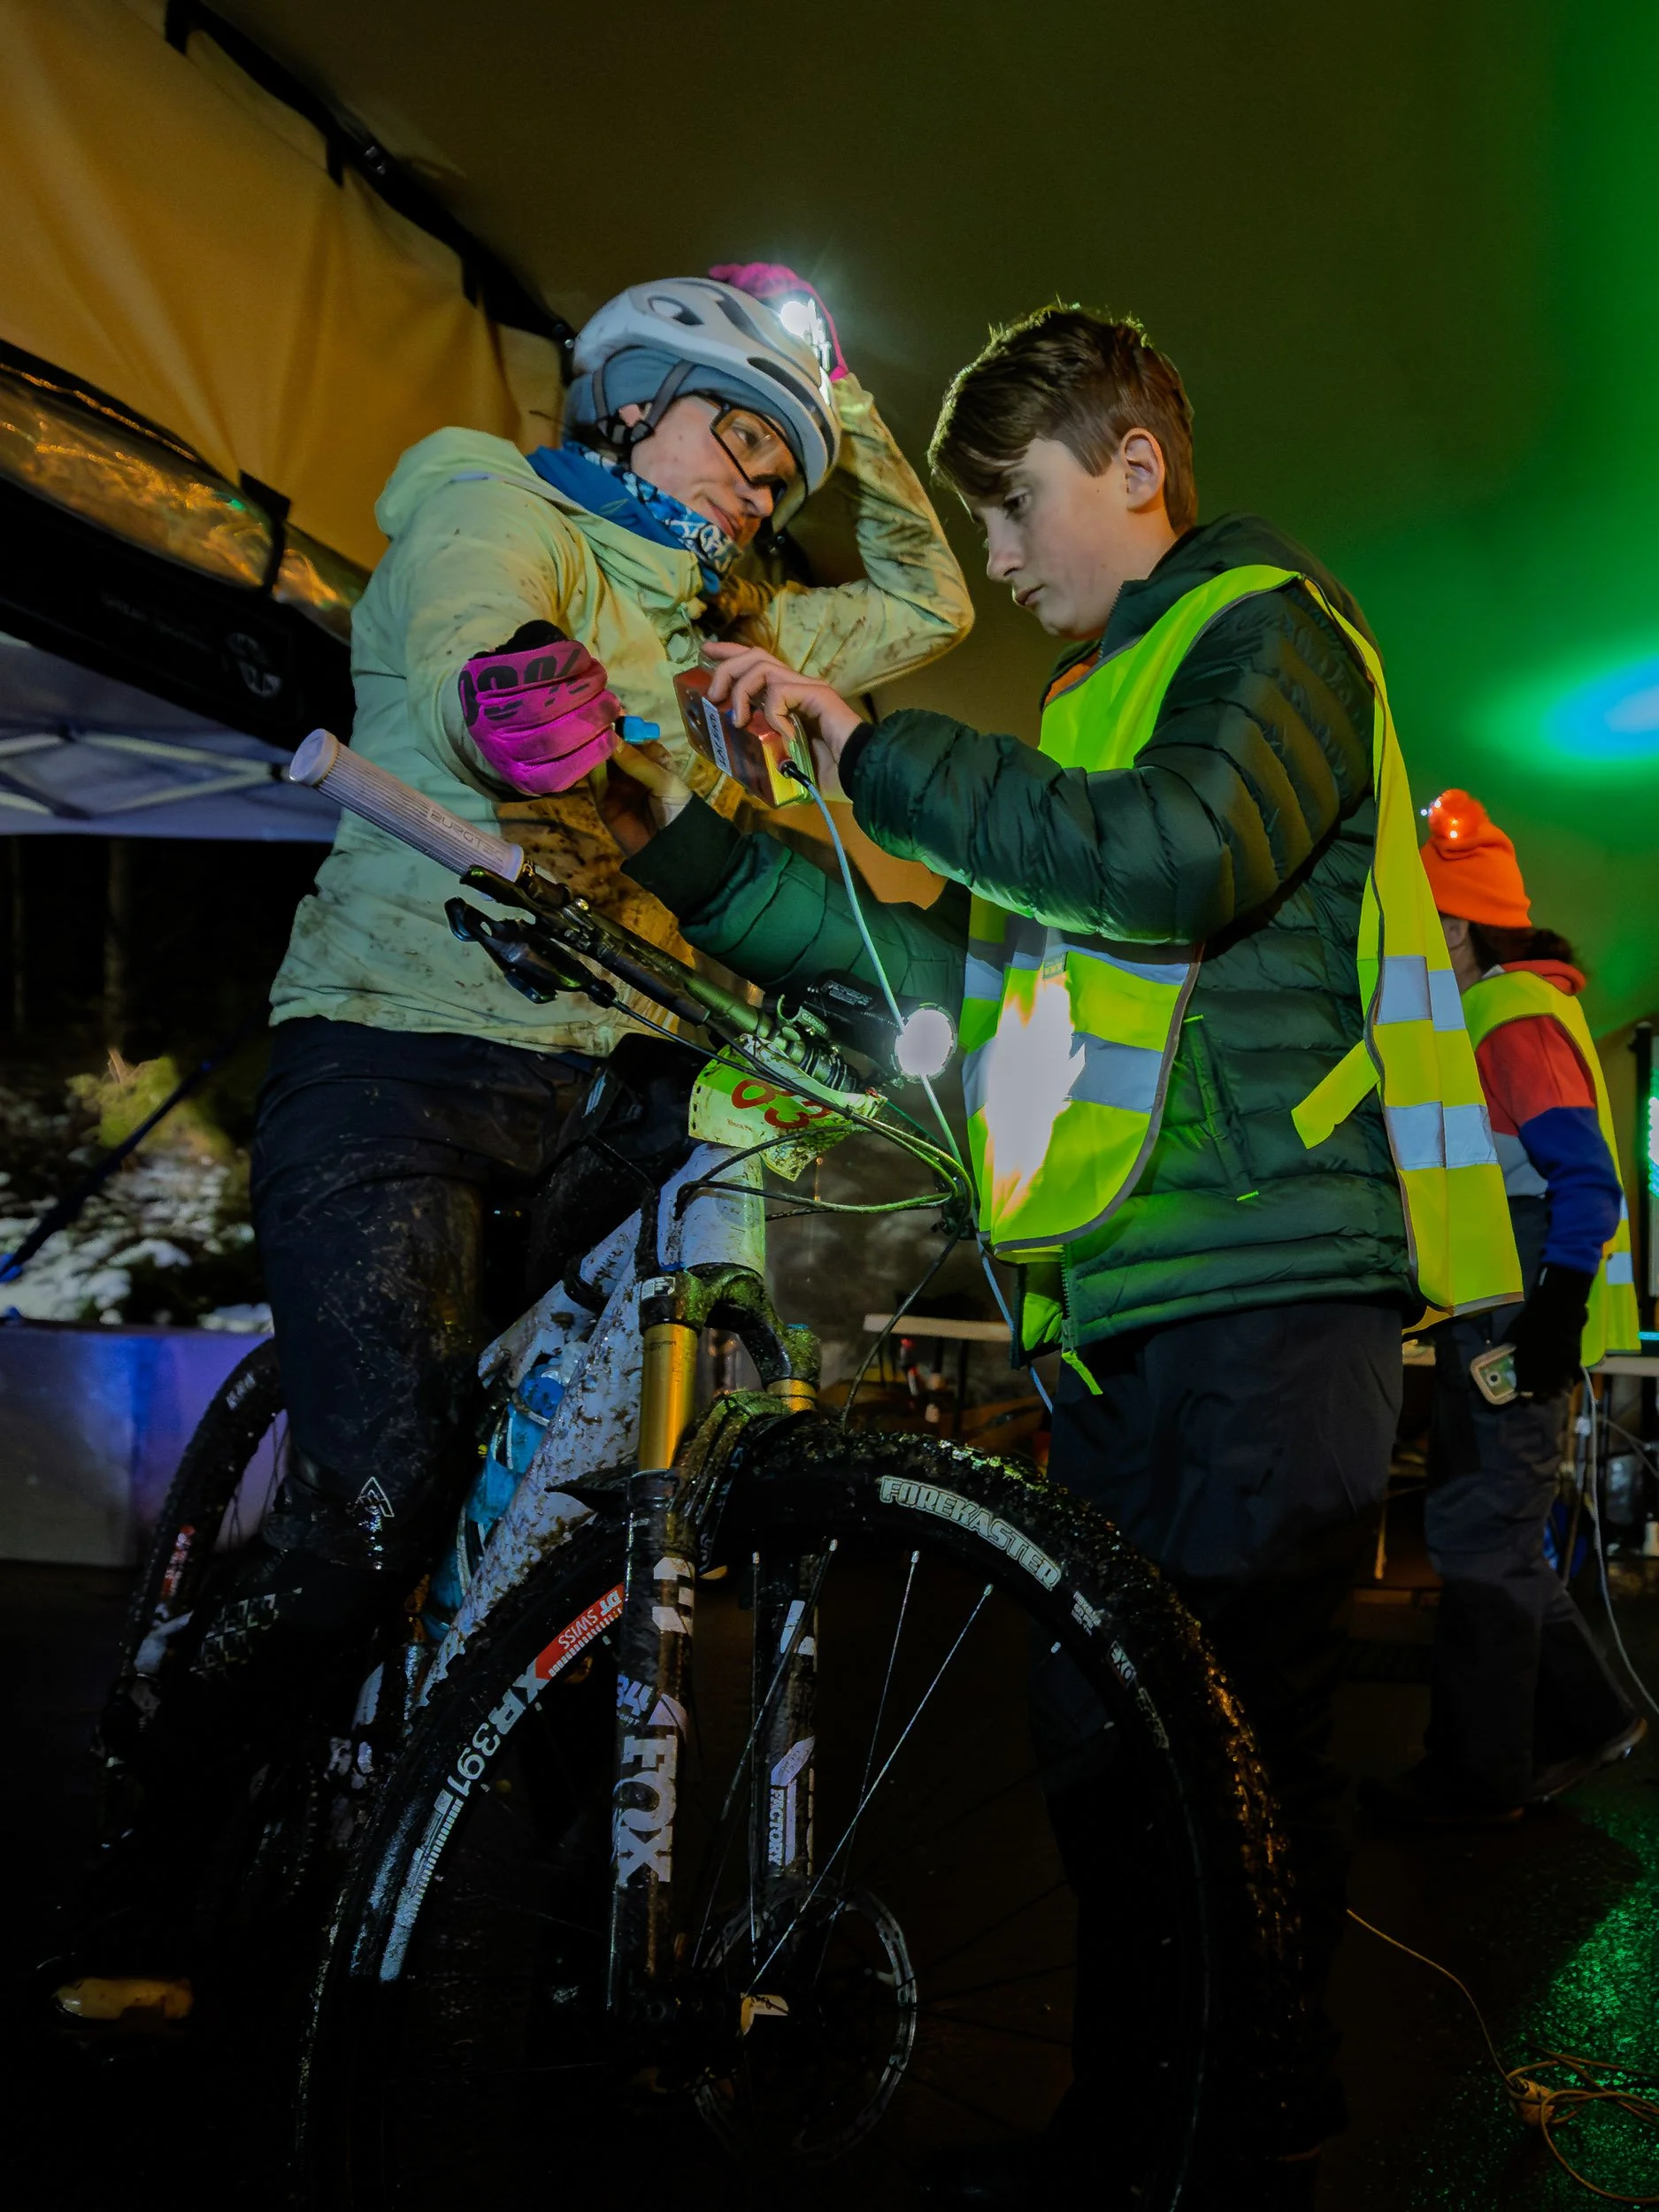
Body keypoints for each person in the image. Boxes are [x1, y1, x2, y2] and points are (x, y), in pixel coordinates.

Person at [597, 305, 1520, 2199]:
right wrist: (688, 845)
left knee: (1216, 1733)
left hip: (1268, 1279)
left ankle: (1222, 2136)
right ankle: (1155, 2124)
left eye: (1014, 506)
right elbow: (958, 982)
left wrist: (878, 748)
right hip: (1130, 1297)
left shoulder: (1270, 628)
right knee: (1124, 1736)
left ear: (1135, 465)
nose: (1000, 560)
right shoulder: (1098, 715)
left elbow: (1178, 857)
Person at [95, 268, 972, 1934]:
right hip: (399, 1056)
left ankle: (571, 1935)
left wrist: (837, 395)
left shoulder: (729, 633)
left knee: (597, 1523)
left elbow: (932, 602)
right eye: (739, 435)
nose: (761, 485)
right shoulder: (496, 502)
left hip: (610, 1082)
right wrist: (514, 690)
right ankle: (139, 1874)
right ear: (629, 402)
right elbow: (463, 634)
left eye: (783, 470)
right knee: (372, 1515)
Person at [1363, 789, 1643, 1824]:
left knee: (1482, 1536)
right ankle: (1590, 1718)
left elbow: (1587, 1182)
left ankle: (1475, 1782)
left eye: (1420, 924)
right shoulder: (1499, 1014)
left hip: (1519, 1306)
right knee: (1492, 1531)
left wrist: (1553, 1313)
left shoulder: (1511, 1017)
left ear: (1456, 929)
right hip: (1502, 1307)